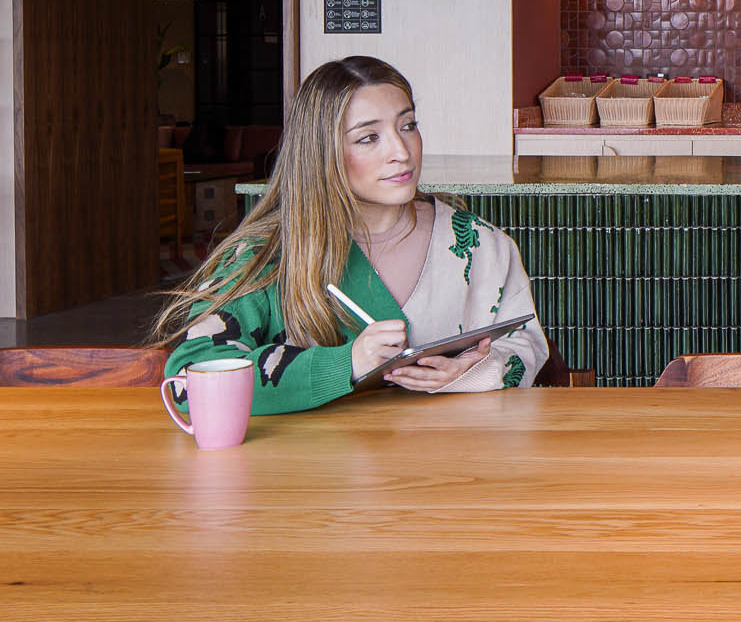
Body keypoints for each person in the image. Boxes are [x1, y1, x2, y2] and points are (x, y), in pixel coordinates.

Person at [156, 56, 549, 414]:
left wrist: (475, 372)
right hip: (313, 467)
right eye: (368, 137)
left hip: (456, 461)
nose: (401, 151)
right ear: (321, 152)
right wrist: (346, 363)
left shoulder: (480, 244)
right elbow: (190, 380)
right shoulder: (267, 254)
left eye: (408, 125)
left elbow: (526, 345)